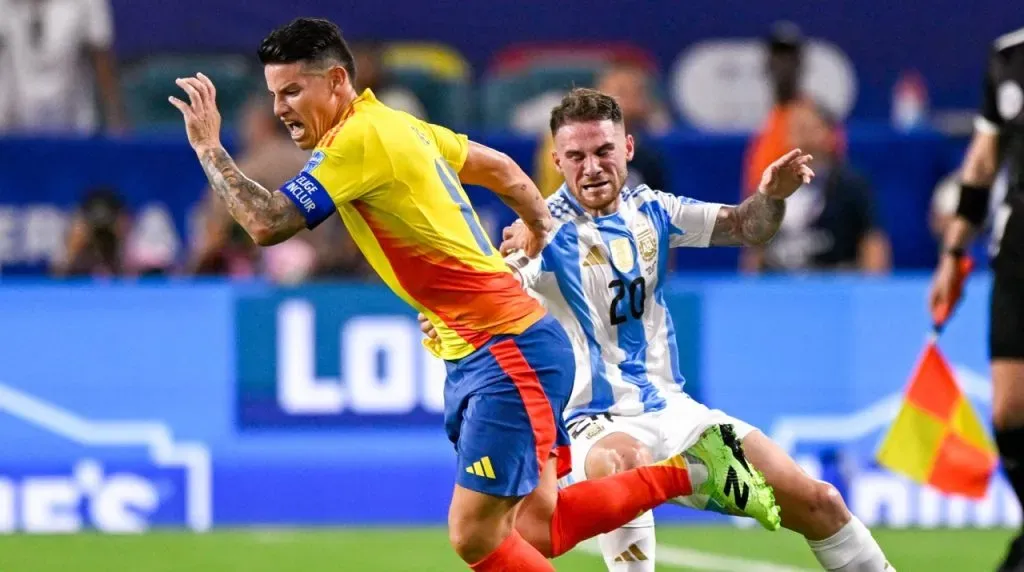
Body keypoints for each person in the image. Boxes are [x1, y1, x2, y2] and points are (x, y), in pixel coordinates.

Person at [168, 17, 778, 571]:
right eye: (273, 94)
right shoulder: (401, 126)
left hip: (504, 349)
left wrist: (208, 148)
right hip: (498, 346)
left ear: (335, 82)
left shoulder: (357, 140)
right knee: (539, 527)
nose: (278, 108)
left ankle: (693, 471)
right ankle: (700, 469)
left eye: (291, 91)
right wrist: (538, 226)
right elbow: (506, 172)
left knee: (474, 535)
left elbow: (267, 223)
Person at [422, 88, 894, 571]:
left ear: (627, 148)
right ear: (556, 160)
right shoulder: (540, 229)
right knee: (627, 462)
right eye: (576, 156)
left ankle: (700, 469)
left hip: (673, 410)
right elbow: (496, 285)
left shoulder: (653, 209)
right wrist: (449, 314)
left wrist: (771, 196)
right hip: (592, 421)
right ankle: (693, 475)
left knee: (821, 501)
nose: (591, 167)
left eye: (604, 151)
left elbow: (746, 227)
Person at [929, 26, 1024, 572]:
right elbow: (984, 161)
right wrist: (952, 254)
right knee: (1011, 409)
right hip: (1017, 250)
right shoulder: (1008, 56)